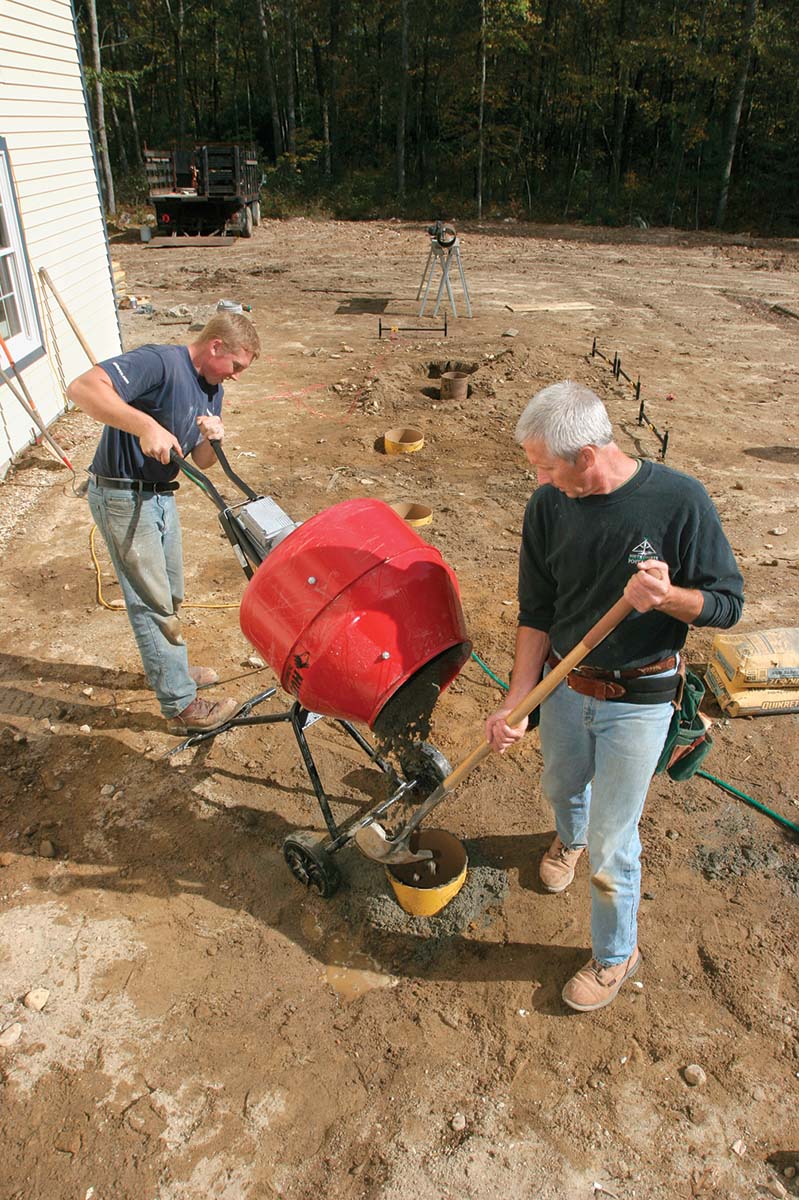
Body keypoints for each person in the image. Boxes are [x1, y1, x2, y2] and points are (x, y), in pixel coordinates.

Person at [485, 381, 743, 1012]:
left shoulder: (680, 501)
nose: (540, 481)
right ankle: (566, 838)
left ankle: (614, 955)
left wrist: (671, 599)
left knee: (614, 840)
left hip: (642, 696)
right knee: (561, 787)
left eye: (547, 467)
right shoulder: (548, 507)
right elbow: (536, 612)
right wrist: (518, 699)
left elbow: (727, 604)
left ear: (588, 457)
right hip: (567, 686)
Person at [67, 313, 261, 733]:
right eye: (237, 366)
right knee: (151, 601)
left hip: (158, 497)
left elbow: (203, 461)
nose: (237, 376)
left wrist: (214, 436)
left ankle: (169, 670)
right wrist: (144, 424)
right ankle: (180, 706)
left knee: (170, 593)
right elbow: (81, 388)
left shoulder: (212, 388)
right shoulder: (159, 363)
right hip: (121, 494)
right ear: (215, 347)